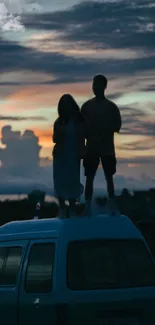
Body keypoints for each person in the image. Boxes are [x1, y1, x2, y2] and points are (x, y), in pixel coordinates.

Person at [81, 74, 122, 215]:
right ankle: (87, 207)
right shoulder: (86, 107)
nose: (94, 88)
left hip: (107, 149)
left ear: (104, 87)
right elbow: (82, 129)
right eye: (93, 85)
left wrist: (103, 134)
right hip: (91, 149)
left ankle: (112, 205)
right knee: (89, 178)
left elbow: (117, 126)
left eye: (97, 85)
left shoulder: (111, 107)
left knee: (109, 177)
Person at [52, 94, 85, 217]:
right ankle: (62, 208)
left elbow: (82, 138)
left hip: (72, 156)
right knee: (60, 181)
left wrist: (82, 151)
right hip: (61, 156)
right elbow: (54, 138)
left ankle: (71, 208)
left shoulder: (78, 121)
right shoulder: (59, 122)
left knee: (72, 181)